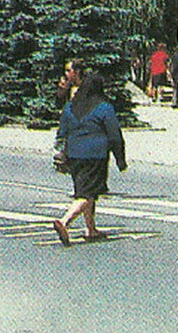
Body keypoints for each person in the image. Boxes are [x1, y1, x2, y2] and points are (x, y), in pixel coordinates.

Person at [53, 71, 127, 246]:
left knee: (85, 190)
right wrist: (120, 159)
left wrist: (61, 151)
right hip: (95, 155)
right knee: (88, 193)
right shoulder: (104, 107)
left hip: (73, 154)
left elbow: (62, 131)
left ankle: (91, 229)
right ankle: (64, 222)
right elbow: (114, 135)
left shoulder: (70, 107)